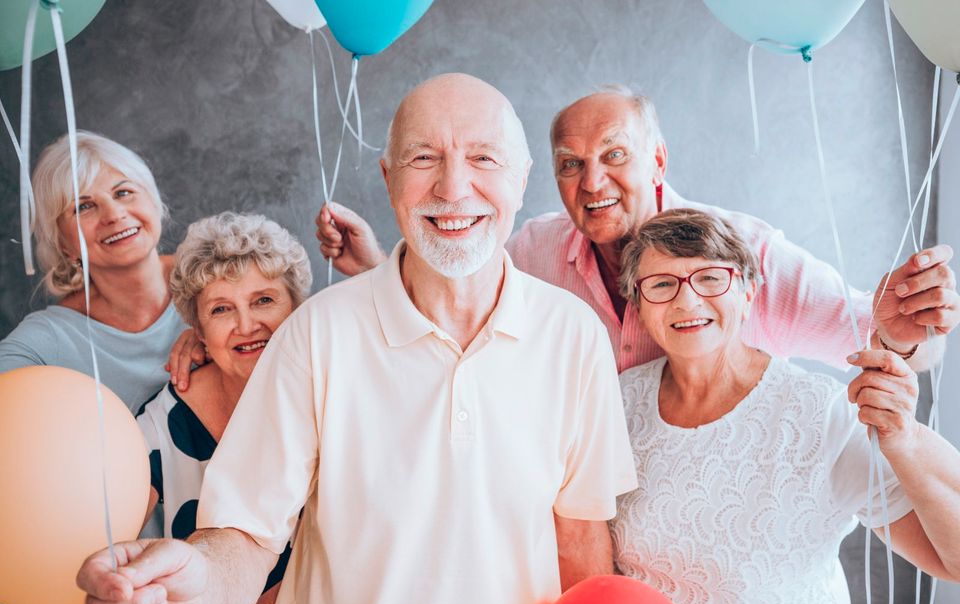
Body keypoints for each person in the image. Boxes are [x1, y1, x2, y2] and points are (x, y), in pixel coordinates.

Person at [75, 73, 637, 604]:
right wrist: (196, 586)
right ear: (389, 178)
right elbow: (245, 538)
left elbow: (580, 544)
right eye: (424, 158)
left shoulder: (573, 335)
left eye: (484, 158)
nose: (454, 186)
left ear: (521, 180)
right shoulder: (315, 336)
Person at [316, 86, 959, 373]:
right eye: (572, 165)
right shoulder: (533, 250)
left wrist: (904, 335)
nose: (592, 182)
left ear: (658, 160)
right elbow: (452, 304)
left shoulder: (744, 251)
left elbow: (883, 340)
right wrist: (378, 266)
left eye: (615, 155)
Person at [608, 209, 960, 604]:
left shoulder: (818, 414)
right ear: (639, 307)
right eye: (662, 284)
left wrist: (903, 441)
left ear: (750, 292)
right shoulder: (617, 402)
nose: (688, 301)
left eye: (711, 278)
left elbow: (953, 560)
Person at [0, 131, 188, 604]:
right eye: (84, 206)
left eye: (125, 192)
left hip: (243, 578)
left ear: (152, 199)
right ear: (59, 238)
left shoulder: (224, 288)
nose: (113, 214)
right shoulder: (45, 342)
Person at [135, 211, 311, 604]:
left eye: (264, 300)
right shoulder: (160, 425)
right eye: (221, 309)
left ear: (301, 310)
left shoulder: (331, 398)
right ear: (197, 330)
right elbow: (87, 540)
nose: (247, 325)